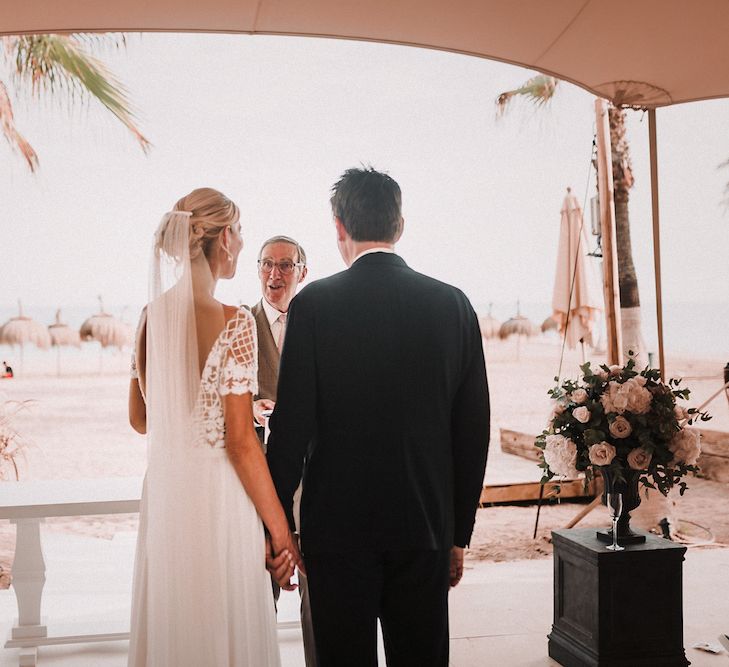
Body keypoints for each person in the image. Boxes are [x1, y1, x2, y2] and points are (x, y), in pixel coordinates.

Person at [267, 167, 490, 666]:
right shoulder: (454, 305)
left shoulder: (314, 306)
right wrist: (459, 534)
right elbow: (472, 431)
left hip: (336, 531)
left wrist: (277, 526)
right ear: (400, 225)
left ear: (339, 226)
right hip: (425, 526)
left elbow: (290, 427)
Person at [127, 187, 302, 667]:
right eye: (240, 232)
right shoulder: (235, 322)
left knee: (176, 624)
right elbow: (242, 444)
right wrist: (281, 532)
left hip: (166, 497)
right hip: (219, 501)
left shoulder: (149, 317)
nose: (243, 244)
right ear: (224, 237)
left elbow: (140, 419)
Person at [247, 235, 319, 666]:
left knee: (319, 592)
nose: (275, 274)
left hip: (313, 477)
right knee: (259, 589)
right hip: (258, 473)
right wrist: (250, 408)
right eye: (267, 264)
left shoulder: (321, 322)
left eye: (286, 265)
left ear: (303, 272)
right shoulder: (238, 322)